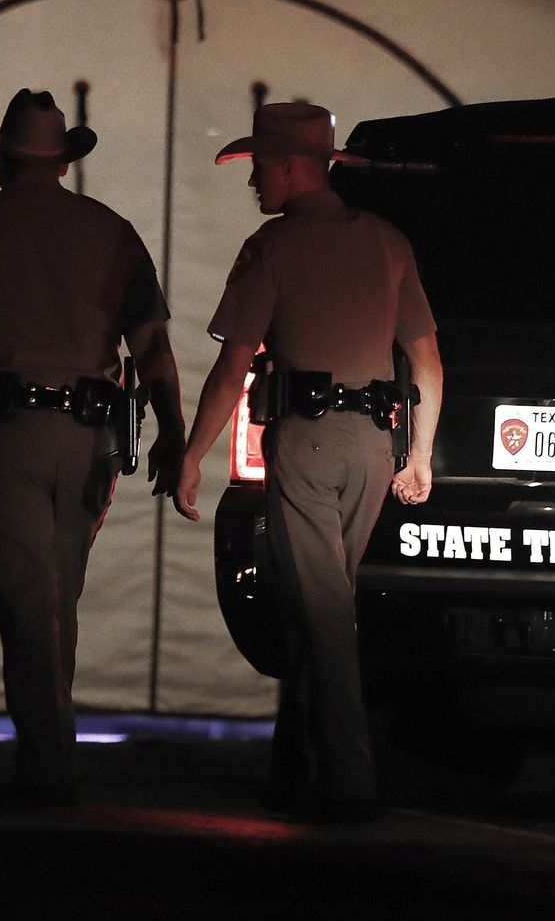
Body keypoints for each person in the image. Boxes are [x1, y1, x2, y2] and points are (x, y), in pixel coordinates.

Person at [0, 88, 184, 806]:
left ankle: (47, 764)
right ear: (60, 162)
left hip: (5, 430)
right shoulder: (113, 232)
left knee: (28, 598)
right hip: (92, 436)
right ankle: (53, 751)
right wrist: (177, 437)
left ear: (1, 155)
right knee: (60, 591)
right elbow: (152, 347)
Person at [173, 102, 442, 822]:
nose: (254, 180)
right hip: (372, 447)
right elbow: (426, 361)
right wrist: (416, 455)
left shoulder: (274, 247)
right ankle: (292, 767)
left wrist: (192, 455)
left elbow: (233, 368)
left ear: (294, 166)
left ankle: (351, 781)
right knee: (316, 604)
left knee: (323, 612)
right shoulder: (387, 243)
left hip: (307, 441)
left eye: (261, 165)